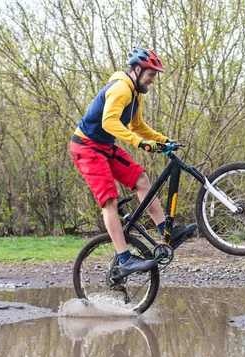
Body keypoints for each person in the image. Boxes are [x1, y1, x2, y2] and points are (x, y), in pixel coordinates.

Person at [70, 47, 197, 277]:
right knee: (109, 199)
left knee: (141, 179)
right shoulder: (121, 89)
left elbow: (138, 127)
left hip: (104, 147)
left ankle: (167, 231)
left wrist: (163, 141)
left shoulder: (135, 95)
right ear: (137, 70)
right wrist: (139, 143)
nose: (153, 80)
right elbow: (109, 122)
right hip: (86, 147)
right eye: (151, 74)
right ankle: (125, 258)